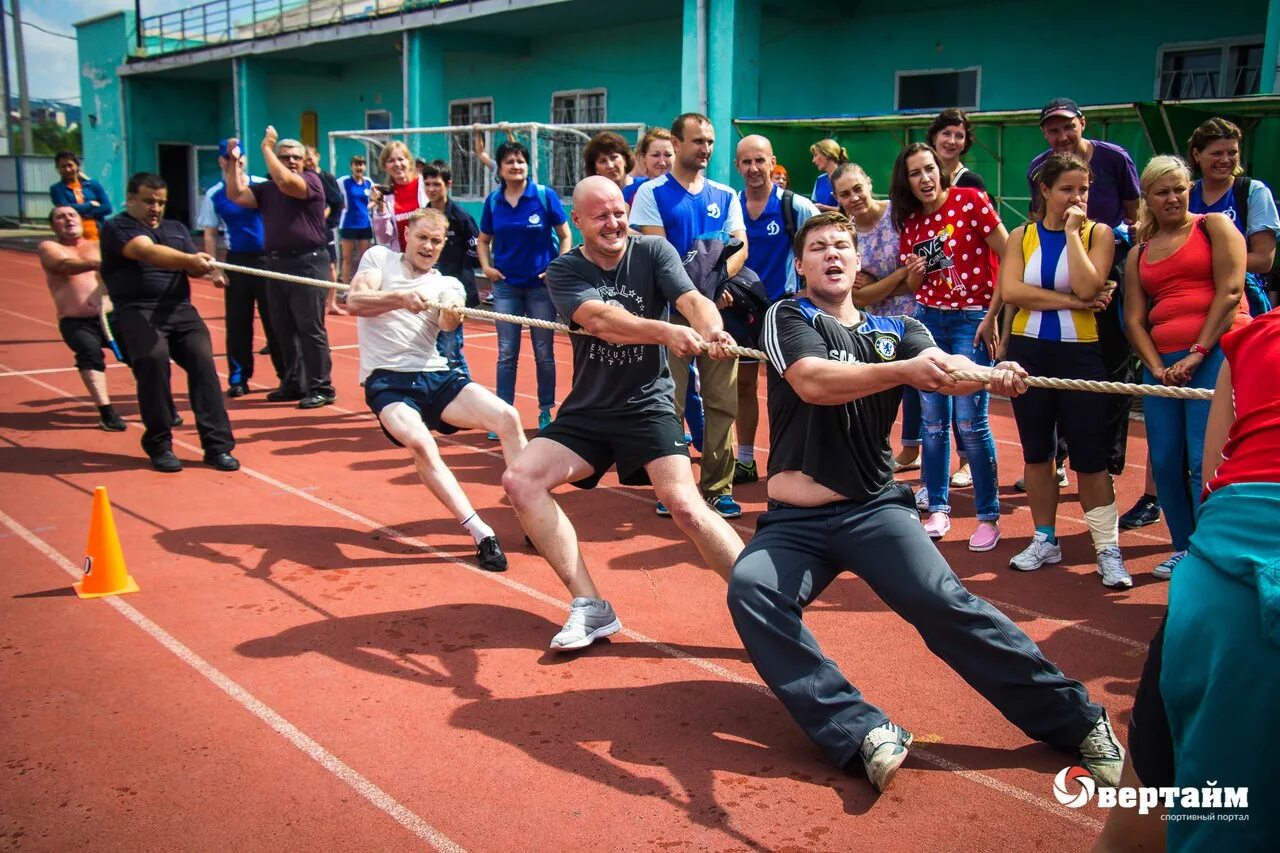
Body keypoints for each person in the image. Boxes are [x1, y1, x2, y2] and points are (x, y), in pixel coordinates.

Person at [727, 211, 1124, 793]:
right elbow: (812, 381)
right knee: (752, 589)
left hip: (873, 509)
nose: (832, 254)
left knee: (946, 605)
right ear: (802, 263)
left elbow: (948, 369)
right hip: (795, 523)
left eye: (842, 245)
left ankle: (1080, 721)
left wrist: (988, 373)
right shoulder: (788, 316)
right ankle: (861, 729)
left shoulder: (897, 329)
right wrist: (906, 372)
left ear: (861, 261)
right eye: (818, 248)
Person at [501, 176, 745, 650]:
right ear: (577, 222)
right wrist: (667, 333)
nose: (614, 223)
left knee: (685, 506)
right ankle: (591, 606)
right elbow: (603, 322)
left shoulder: (653, 252)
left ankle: (762, 604)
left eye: (619, 212)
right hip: (589, 408)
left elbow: (692, 299)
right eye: (601, 216)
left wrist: (711, 328)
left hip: (647, 402)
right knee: (520, 480)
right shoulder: (563, 270)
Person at [1158, 308, 1280, 849]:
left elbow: (1211, 472)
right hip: (1230, 576)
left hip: (1219, 584)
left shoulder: (1253, 336)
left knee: (1210, 807)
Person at [347, 208, 525, 571]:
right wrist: (398, 298)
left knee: (508, 417)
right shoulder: (379, 258)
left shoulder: (447, 283)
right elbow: (355, 302)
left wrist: (453, 311)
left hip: (436, 377)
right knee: (421, 443)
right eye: (422, 237)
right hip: (387, 381)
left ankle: (533, 513)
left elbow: (448, 320)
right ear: (407, 234)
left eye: (436, 241)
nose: (428, 246)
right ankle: (481, 533)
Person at [999, 153, 1132, 589]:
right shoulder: (1021, 234)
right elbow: (1013, 290)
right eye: (1067, 189)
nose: (1077, 197)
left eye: (1084, 189)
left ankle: (1107, 550)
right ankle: (1044, 538)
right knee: (1038, 455)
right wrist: (1075, 303)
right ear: (1046, 191)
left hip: (1081, 355)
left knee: (1091, 461)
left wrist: (1073, 234)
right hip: (1030, 353)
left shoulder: (1099, 234)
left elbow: (1090, 284)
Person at [1123, 155, 1248, 580]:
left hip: (1214, 356)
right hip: (1164, 367)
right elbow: (1135, 320)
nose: (1173, 197)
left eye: (1179, 188)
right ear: (1148, 198)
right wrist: (1157, 367)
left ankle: (1211, 549)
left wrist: (1198, 351)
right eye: (1162, 191)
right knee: (1163, 458)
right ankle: (1184, 547)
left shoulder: (1214, 227)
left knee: (1204, 458)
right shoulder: (1140, 252)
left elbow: (1230, 292)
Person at [631, 113, 748, 518]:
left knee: (721, 402)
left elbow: (739, 249)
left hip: (715, 317)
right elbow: (657, 254)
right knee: (670, 403)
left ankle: (718, 488)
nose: (706, 149)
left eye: (710, 142)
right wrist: (693, 299)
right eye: (698, 141)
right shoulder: (651, 192)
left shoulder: (725, 195)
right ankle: (673, 488)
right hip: (670, 316)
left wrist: (714, 293)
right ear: (677, 144)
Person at [892, 143, 1008, 549]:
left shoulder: (972, 201)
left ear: (941, 170)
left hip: (972, 320)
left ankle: (987, 516)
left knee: (970, 421)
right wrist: (915, 274)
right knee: (933, 421)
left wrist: (993, 316)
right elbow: (912, 286)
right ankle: (938, 508)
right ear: (905, 181)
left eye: (929, 169)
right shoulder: (911, 221)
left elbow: (1009, 255)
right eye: (914, 173)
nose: (924, 179)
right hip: (928, 320)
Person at [1028, 98, 1142, 508]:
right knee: (1056, 362)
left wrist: (1115, 265)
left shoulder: (1114, 158)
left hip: (1109, 260)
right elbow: (1040, 221)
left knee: (1111, 369)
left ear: (1082, 124)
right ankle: (1057, 457)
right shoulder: (1038, 167)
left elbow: (1134, 212)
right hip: (1064, 269)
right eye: (1053, 130)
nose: (1061, 137)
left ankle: (1105, 464)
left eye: (1067, 127)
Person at [99, 173, 238, 473]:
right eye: (148, 201)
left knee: (204, 365)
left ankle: (217, 447)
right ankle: (160, 445)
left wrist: (210, 269)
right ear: (131, 199)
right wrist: (190, 261)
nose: (155, 208)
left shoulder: (175, 228)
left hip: (179, 310)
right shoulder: (117, 227)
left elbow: (193, 266)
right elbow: (144, 251)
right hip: (137, 311)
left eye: (160, 202)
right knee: (153, 361)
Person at [223, 129, 336, 410]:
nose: (292, 161)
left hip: (307, 262)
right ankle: (294, 381)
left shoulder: (311, 181)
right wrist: (234, 163)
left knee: (310, 327)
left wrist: (266, 149)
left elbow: (287, 182)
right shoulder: (266, 188)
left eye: (297, 157)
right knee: (282, 328)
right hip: (276, 263)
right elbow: (236, 194)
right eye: (285, 156)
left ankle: (322, 386)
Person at [733, 134, 818, 484]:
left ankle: (795, 459)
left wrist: (808, 294)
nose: (754, 168)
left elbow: (822, 241)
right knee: (743, 386)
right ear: (738, 166)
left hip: (785, 312)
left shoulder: (794, 206)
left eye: (760, 160)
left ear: (773, 162)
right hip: (741, 312)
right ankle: (746, 458)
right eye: (746, 162)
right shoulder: (730, 205)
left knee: (795, 388)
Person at [832, 162, 920, 475]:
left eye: (857, 188)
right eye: (845, 194)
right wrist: (899, 274)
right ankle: (902, 451)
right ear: (837, 198)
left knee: (933, 391)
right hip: (881, 323)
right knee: (890, 391)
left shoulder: (900, 214)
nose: (854, 197)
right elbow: (861, 297)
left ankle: (960, 459)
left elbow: (916, 271)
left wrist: (882, 283)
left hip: (922, 311)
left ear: (869, 183)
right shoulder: (849, 236)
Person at [478, 140, 572, 433]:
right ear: (500, 169)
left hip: (540, 288)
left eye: (520, 161)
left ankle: (546, 411)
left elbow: (566, 234)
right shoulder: (493, 201)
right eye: (509, 162)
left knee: (544, 352)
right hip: (506, 287)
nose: (516, 166)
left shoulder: (544, 196)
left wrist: (555, 267)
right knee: (507, 353)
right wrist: (486, 267)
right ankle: (503, 414)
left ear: (527, 165)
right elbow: (483, 239)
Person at [198, 139, 284, 398]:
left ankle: (287, 375)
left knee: (276, 321)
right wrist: (215, 268)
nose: (237, 161)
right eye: (230, 157)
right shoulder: (215, 194)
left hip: (268, 260)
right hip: (237, 261)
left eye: (240, 157)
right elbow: (210, 233)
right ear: (222, 161)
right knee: (238, 323)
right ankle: (239, 377)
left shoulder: (263, 186)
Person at [38, 206, 126, 431]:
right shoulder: (50, 247)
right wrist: (98, 264)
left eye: (72, 215)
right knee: (89, 353)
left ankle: (159, 406)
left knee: (144, 355)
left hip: (110, 317)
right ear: (53, 225)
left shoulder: (98, 245)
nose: (67, 219)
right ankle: (106, 413)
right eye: (60, 217)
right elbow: (63, 266)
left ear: (81, 220)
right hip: (76, 321)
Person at [1187, 117, 1278, 317]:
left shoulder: (1253, 192)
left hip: (1241, 302)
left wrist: (1198, 264)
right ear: (1197, 154)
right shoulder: (1185, 194)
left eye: (1232, 152)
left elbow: (1264, 260)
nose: (1226, 160)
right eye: (1217, 153)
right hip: (1190, 300)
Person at [421, 161, 481, 376]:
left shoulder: (461, 217)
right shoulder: (422, 216)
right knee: (430, 346)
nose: (431, 189)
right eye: (427, 184)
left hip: (453, 290)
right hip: (428, 289)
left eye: (436, 184)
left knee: (450, 348)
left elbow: (476, 247)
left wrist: (462, 273)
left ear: (448, 184)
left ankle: (463, 388)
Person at [305, 146, 345, 314]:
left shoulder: (326, 177)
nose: (308, 160)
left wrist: (330, 222)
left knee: (330, 266)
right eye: (304, 157)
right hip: (306, 230)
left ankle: (332, 303)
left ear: (317, 157)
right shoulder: (301, 177)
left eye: (310, 157)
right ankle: (311, 303)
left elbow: (337, 201)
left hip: (323, 230)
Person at [49, 152, 112, 241]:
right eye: (63, 166)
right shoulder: (56, 189)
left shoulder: (93, 184)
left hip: (97, 234)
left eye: (70, 165)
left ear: (77, 165)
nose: (67, 169)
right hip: (72, 237)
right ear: (58, 169)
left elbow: (107, 208)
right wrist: (90, 204)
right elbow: (65, 209)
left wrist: (82, 212)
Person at [927, 109, 987, 192]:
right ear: (934, 138)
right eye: (946, 134)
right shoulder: (923, 177)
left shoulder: (972, 183)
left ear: (965, 143)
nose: (952, 141)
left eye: (959, 136)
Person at [337, 154, 374, 283]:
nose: (359, 167)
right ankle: (345, 288)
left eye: (362, 164)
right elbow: (333, 196)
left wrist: (367, 208)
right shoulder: (343, 181)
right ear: (351, 166)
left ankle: (360, 286)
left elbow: (377, 197)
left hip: (365, 225)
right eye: (356, 164)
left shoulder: (369, 182)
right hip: (348, 225)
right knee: (347, 258)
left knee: (364, 258)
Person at [624, 128, 675, 206]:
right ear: (644, 157)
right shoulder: (631, 191)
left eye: (667, 155)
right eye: (655, 155)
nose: (662, 162)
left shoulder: (687, 190)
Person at [808, 139, 846, 212]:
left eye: (816, 155)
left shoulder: (846, 177)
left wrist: (824, 208)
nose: (813, 160)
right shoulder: (820, 179)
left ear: (827, 154)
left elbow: (849, 209)